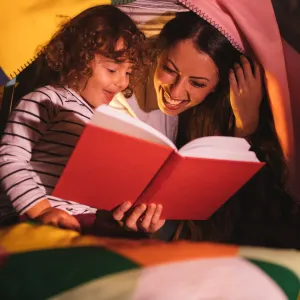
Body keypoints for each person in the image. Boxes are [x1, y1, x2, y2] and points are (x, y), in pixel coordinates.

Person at [129, 9, 300, 247]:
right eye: (169, 70)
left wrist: (245, 128)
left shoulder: (230, 112)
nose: (175, 92)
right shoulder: (132, 83)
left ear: (220, 84)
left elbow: (254, 217)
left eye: (197, 83)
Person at [0, 5, 166, 236]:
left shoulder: (106, 120)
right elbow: (9, 158)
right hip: (29, 219)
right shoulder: (46, 100)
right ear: (79, 59)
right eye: (112, 69)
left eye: (128, 72)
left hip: (84, 224)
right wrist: (40, 211)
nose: (122, 82)